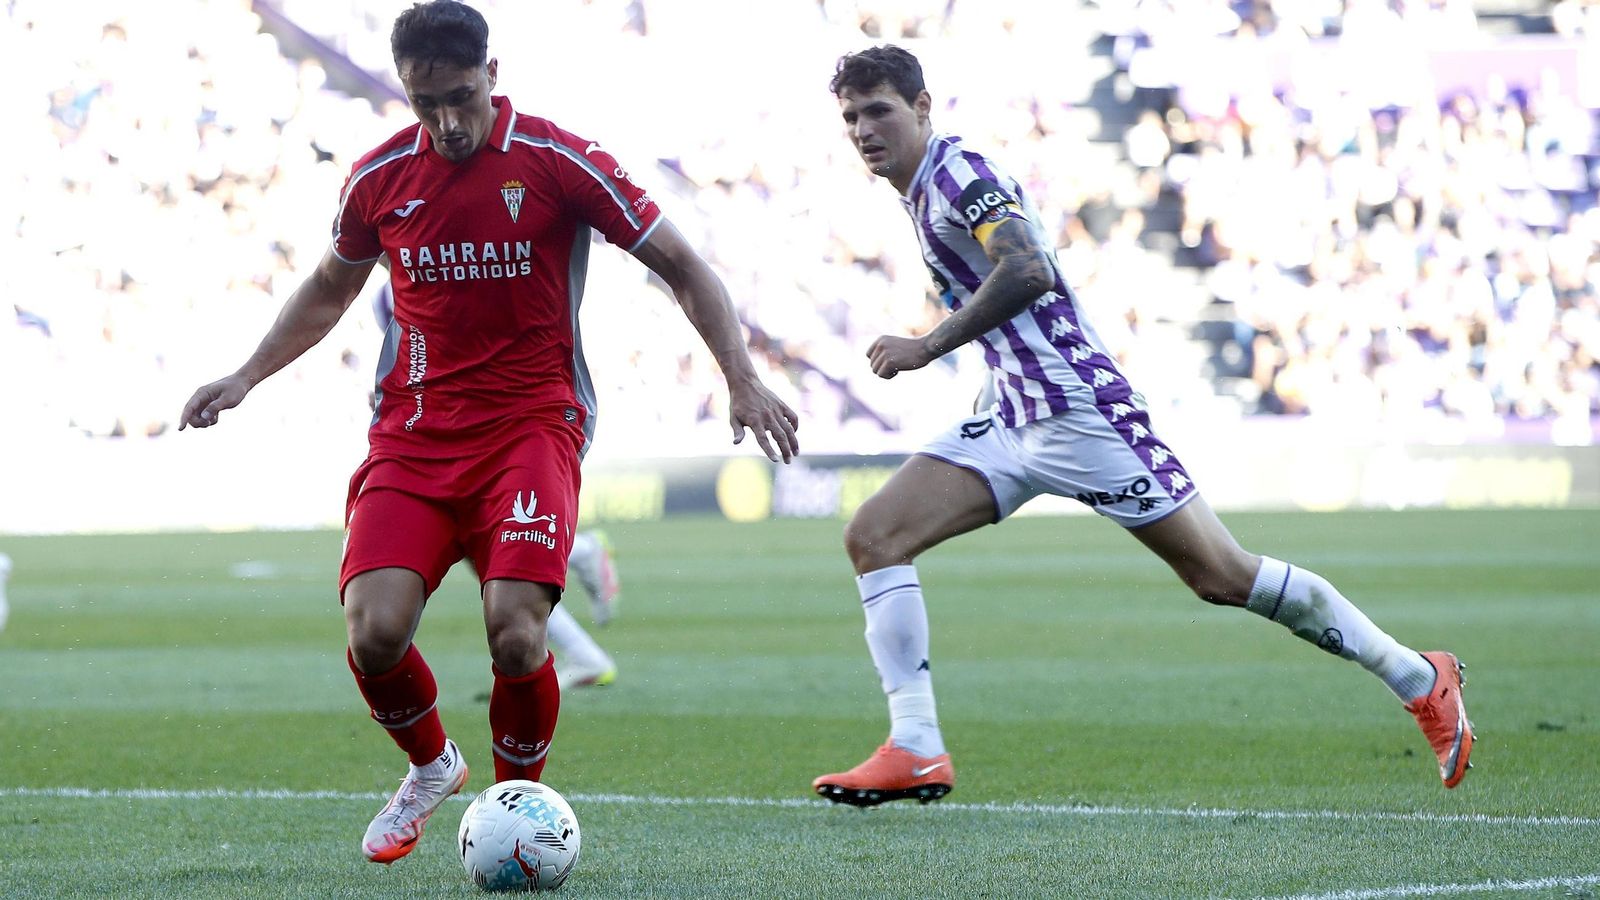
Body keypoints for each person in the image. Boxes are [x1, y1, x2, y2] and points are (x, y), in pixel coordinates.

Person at [180, 0, 798, 865]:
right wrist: (245, 375)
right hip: (415, 434)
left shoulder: (557, 159)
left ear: (492, 76)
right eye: (424, 103)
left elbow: (685, 267)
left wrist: (741, 376)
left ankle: (520, 805)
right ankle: (432, 767)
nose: (446, 122)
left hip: (533, 425)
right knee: (373, 633)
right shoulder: (380, 177)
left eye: (460, 98)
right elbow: (328, 288)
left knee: (515, 627)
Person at [810, 45, 1472, 807]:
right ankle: (916, 747)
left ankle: (1420, 678)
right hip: (1011, 414)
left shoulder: (959, 173)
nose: (864, 129)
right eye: (852, 117)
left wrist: (927, 345)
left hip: (1079, 410)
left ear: (923, 108)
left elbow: (1028, 270)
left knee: (1221, 576)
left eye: (880, 111)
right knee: (875, 535)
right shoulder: (920, 189)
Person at [369, 280, 621, 689]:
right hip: (442, 429)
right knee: (496, 565)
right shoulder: (397, 280)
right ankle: (585, 640)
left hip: (499, 430)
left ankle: (585, 632)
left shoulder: (438, 264)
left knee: (497, 563)